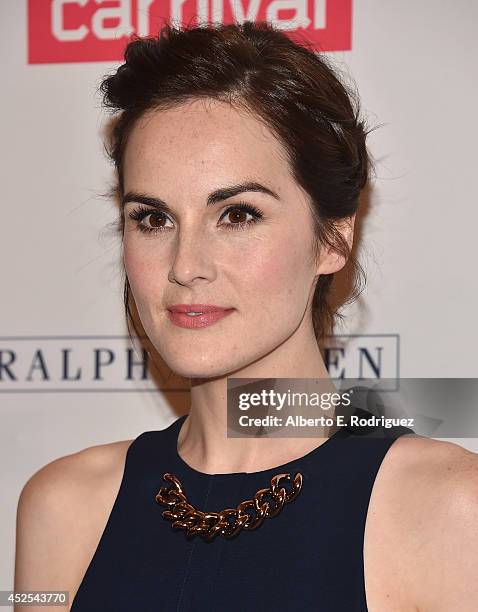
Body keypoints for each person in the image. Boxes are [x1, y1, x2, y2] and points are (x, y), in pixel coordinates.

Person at [14, 20, 478, 612]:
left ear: (332, 238)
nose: (186, 266)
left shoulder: (452, 510)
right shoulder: (59, 506)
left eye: (237, 214)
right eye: (153, 219)